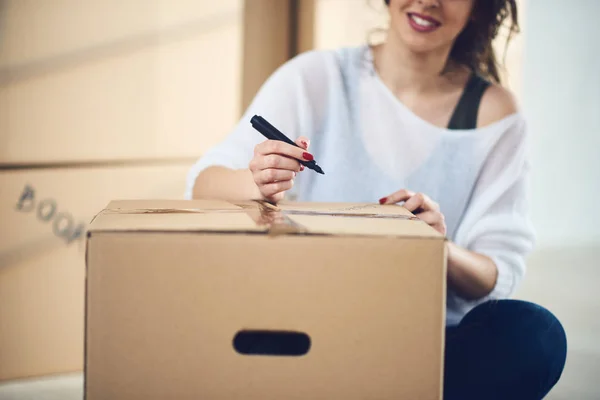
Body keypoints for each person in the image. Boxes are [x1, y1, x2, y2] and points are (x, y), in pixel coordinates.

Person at [185, 0, 567, 398]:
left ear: (479, 8)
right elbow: (203, 184)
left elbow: (493, 273)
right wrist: (256, 182)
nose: (428, 1)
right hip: (309, 324)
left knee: (535, 334)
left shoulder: (495, 114)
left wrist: (438, 245)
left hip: (422, 342)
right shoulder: (317, 77)